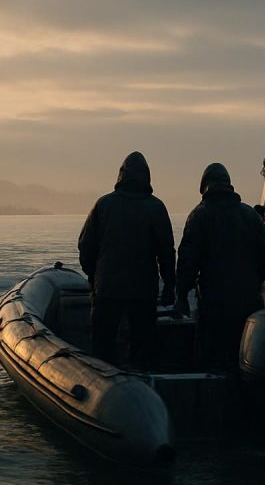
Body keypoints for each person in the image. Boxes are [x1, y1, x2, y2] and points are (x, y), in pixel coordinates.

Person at [78, 151, 176, 370]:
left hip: (107, 290)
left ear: (121, 175)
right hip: (143, 291)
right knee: (142, 347)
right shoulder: (156, 208)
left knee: (103, 346)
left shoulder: (103, 205)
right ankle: (141, 385)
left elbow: (86, 246)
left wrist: (93, 277)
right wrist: (169, 286)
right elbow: (167, 253)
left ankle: (102, 390)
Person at [175, 163, 265, 372]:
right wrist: (253, 285)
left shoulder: (199, 216)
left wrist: (181, 296)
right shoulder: (251, 216)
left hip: (214, 306)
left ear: (204, 188)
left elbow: (187, 264)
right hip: (250, 305)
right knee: (245, 359)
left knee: (210, 360)